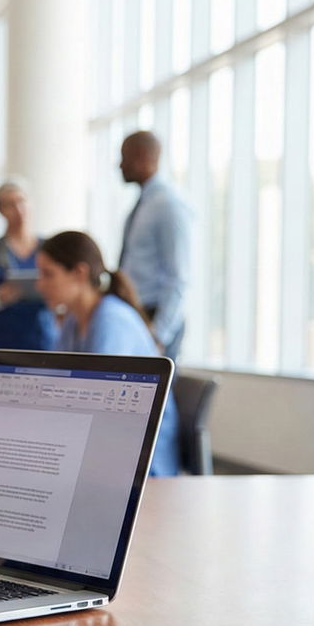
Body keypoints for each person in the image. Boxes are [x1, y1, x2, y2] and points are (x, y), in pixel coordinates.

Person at [36, 230, 179, 477]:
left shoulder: (112, 321)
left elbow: (101, 410)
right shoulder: (72, 320)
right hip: (107, 447)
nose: (40, 285)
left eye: (48, 274)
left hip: (140, 459)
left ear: (79, 273)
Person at [116, 131, 194, 359]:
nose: (119, 165)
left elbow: (178, 276)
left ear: (141, 156)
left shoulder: (168, 205)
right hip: (138, 315)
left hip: (155, 319)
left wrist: (158, 334)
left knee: (157, 394)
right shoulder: (146, 203)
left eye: (124, 157)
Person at [0, 180, 59, 350]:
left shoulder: (49, 248)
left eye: (22, 201)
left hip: (42, 341)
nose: (19, 210)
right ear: (0, 210)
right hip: (1, 343)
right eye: (10, 205)